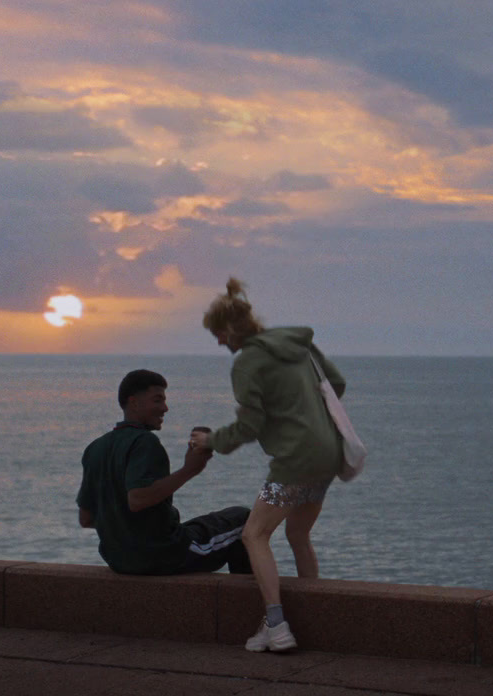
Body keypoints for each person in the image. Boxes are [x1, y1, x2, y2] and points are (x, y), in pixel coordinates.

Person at [191, 277, 346, 653]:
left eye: (218, 334)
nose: (218, 342)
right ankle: (314, 618)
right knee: (297, 535)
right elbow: (337, 385)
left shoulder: (247, 363)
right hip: (327, 455)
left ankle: (277, 626)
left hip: (294, 460)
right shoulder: (300, 345)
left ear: (230, 329)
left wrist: (210, 441)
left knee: (253, 535)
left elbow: (249, 425)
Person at [77, 369, 252, 576]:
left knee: (204, 526)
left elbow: (86, 519)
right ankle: (250, 605)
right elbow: (138, 499)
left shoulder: (95, 448)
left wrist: (122, 526)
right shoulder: (144, 442)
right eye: (157, 400)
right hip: (165, 555)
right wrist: (190, 469)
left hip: (118, 560)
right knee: (246, 520)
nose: (165, 408)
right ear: (134, 402)